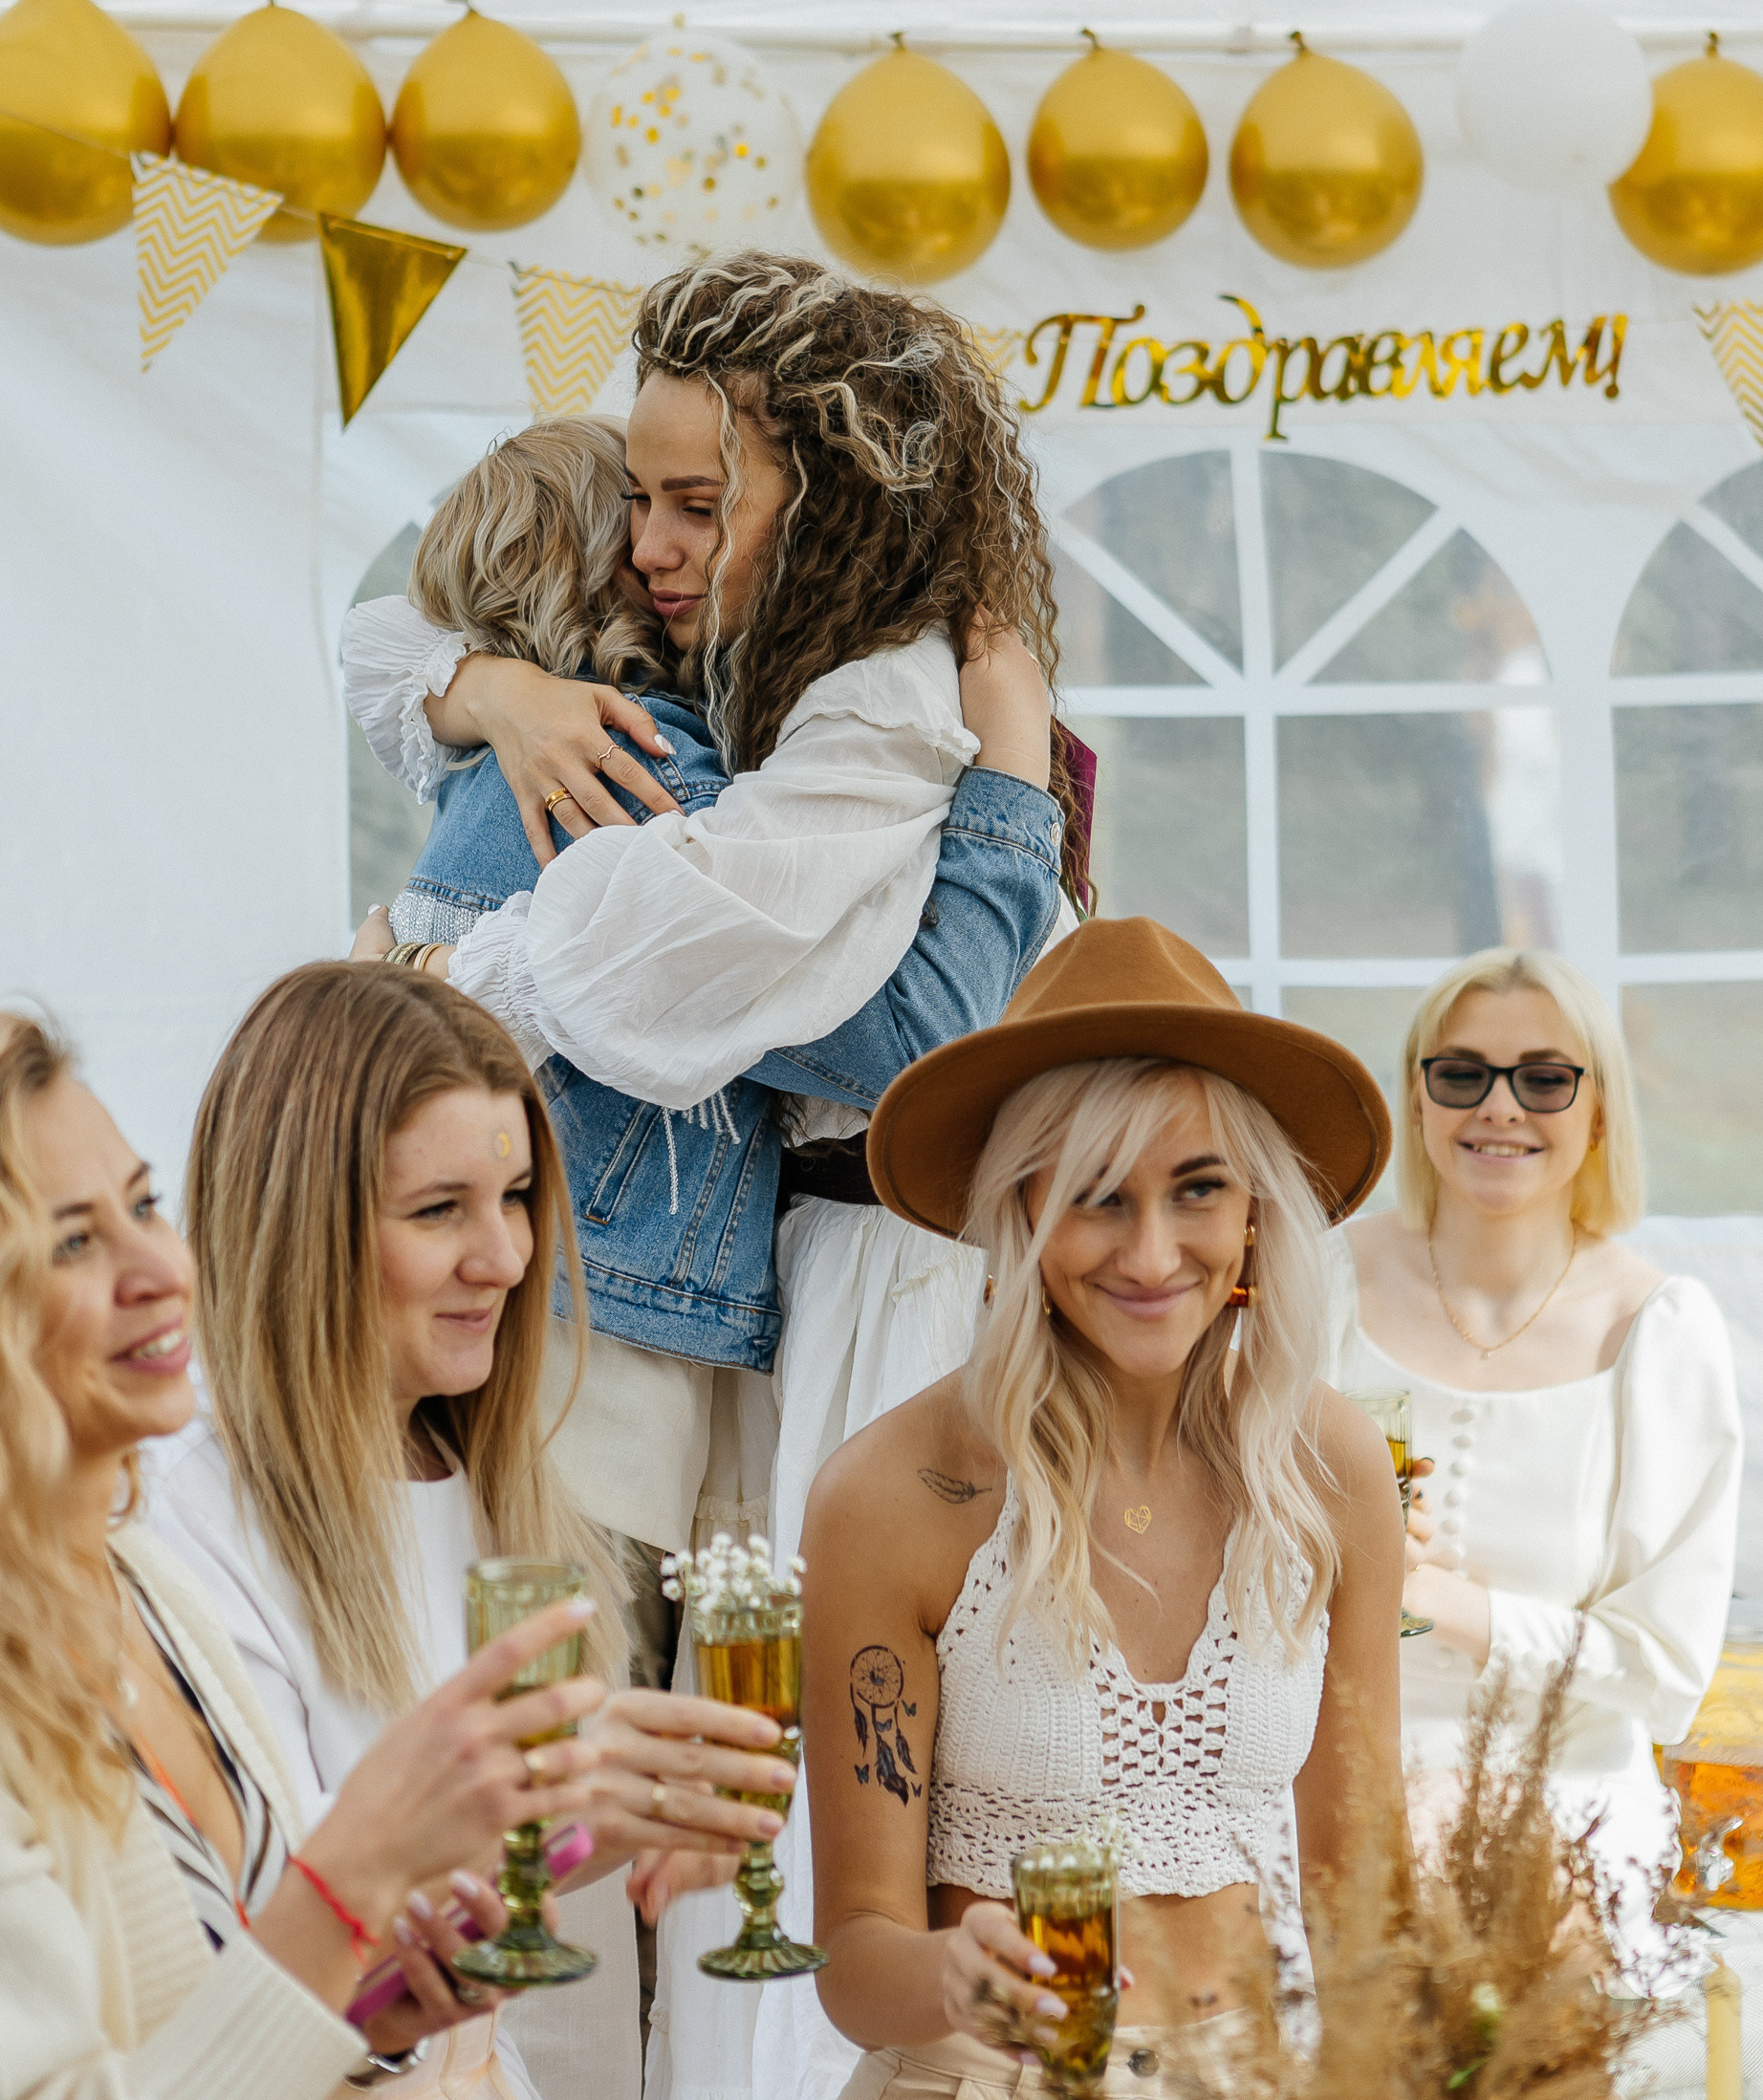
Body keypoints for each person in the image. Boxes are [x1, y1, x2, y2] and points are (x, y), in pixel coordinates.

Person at [339, 283, 1069, 1615]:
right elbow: (377, 642)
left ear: (830, 505)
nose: (651, 548)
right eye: (635, 501)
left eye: (695, 503)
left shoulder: (865, 707)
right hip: (680, 1303)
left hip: (877, 1267)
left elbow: (912, 1035)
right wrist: (497, 688)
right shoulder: (697, 703)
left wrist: (441, 988)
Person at [145, 961, 815, 2100]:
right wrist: (565, 1829)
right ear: (299, 1226)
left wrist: (616, 1827)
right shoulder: (184, 1528)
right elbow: (259, 1977)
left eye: (513, 1198)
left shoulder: (496, 1491)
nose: (505, 1259)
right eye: (438, 1210)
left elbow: (500, 1958)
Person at [800, 919, 1406, 2098]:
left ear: (1252, 1216)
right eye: (1096, 1197)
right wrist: (953, 1976)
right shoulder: (892, 1496)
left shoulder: (1329, 1466)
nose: (1149, 1252)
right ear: (1020, 1210)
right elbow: (852, 1957)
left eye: (1196, 1191)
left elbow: (1364, 1893)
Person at [0, 1007, 610, 2098]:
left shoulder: (135, 1594)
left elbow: (250, 2003)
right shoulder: (185, 1528)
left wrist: (382, 2021)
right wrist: (361, 1874)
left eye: (146, 1207)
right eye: (77, 1241)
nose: (164, 1267)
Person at [1328, 944, 1742, 1934]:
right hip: (1325, 1786)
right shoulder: (1321, 1285)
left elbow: (1664, 1675)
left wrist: (1437, 1602)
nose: (1498, 1108)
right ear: (1418, 1098)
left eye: (1544, 1079)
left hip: (1570, 1807)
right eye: (1461, 1073)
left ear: (1597, 1113)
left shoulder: (1659, 1334)